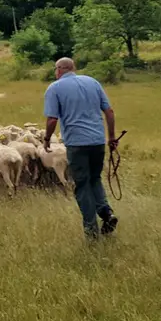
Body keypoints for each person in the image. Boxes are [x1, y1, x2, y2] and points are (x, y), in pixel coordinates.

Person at [43, 57, 120, 242]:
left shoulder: (55, 88)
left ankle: (91, 231)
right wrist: (111, 137)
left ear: (59, 69)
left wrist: (47, 139)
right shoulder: (92, 82)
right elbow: (109, 111)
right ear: (73, 68)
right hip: (97, 141)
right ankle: (106, 212)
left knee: (82, 185)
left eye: (55, 69)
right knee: (94, 178)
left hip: (77, 144)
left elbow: (52, 119)